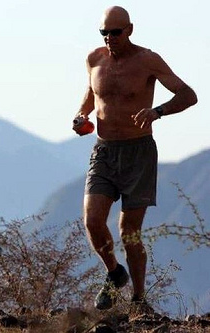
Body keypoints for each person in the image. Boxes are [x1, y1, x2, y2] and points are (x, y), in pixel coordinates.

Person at [73, 6, 197, 312]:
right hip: (103, 150)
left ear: (130, 29)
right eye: (104, 33)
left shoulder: (147, 60)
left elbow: (188, 94)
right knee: (92, 221)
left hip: (138, 151)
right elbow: (91, 94)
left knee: (129, 232)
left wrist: (158, 112)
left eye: (116, 32)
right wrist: (81, 115)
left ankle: (139, 299)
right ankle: (115, 273)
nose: (110, 38)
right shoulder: (94, 59)